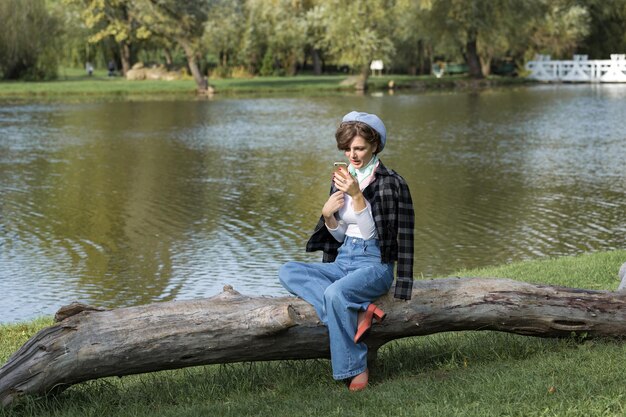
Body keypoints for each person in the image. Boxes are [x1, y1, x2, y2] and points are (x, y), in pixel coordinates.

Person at [279, 111, 414, 391]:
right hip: (345, 260)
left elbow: (372, 234)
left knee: (335, 293)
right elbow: (341, 235)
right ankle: (361, 312)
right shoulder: (343, 177)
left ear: (375, 146)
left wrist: (356, 196)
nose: (352, 154)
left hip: (374, 263)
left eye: (360, 148)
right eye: (348, 148)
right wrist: (328, 216)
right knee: (288, 271)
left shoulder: (390, 183)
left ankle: (356, 368)